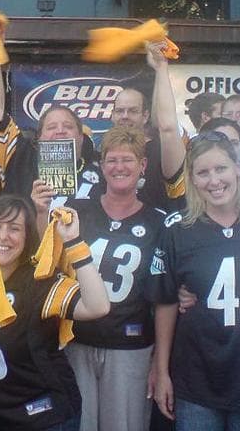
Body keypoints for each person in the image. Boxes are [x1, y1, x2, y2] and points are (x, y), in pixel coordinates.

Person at [0, 196, 110, 430]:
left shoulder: (39, 281)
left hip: (42, 416)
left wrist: (73, 243)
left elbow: (98, 307)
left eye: (14, 228)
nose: (3, 236)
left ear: (27, 238)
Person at [148, 132, 240, 431]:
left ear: (238, 168)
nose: (214, 180)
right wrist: (162, 369)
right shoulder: (177, 229)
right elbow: (166, 301)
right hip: (196, 376)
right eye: (203, 173)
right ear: (192, 179)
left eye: (220, 168)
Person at [66, 126, 166, 431]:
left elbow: (164, 297)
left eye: (127, 160)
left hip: (130, 345)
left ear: (143, 165)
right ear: (101, 164)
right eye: (111, 160)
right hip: (77, 340)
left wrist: (159, 363)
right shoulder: (77, 211)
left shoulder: (159, 222)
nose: (119, 167)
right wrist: (43, 212)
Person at [0, 25, 103, 231]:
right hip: (30, 258)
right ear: (40, 137)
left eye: (68, 126)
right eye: (52, 127)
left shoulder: (102, 166)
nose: (60, 130)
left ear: (81, 137)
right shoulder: (21, 159)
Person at [111, 86, 170, 210]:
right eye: (120, 111)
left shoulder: (162, 152)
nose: (125, 116)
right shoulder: (104, 153)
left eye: (133, 111)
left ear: (145, 116)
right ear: (112, 115)